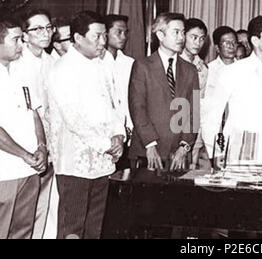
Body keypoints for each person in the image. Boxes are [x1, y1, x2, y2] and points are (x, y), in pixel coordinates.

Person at [47, 11, 125, 239]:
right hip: (75, 163)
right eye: (97, 36)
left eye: (104, 35)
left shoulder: (102, 66)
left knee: (95, 227)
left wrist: (119, 135)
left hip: (104, 162)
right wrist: (106, 144)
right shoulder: (62, 69)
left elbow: (114, 105)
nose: (103, 41)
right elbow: (73, 118)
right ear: (78, 38)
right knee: (73, 227)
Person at [202, 14, 262, 173]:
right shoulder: (232, 72)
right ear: (255, 40)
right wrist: (216, 151)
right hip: (238, 152)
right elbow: (211, 116)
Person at [128, 12, 198, 172]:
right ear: (160, 34)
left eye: (183, 32)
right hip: (147, 153)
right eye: (176, 32)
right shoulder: (142, 66)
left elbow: (194, 112)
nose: (181, 37)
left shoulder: (190, 70)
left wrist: (184, 146)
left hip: (179, 156)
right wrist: (150, 145)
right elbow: (137, 108)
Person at [0, 16, 47, 239]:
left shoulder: (22, 71)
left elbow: (34, 113)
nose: (22, 45)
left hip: (29, 168)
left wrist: (41, 146)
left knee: (23, 231)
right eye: (16, 40)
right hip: (5, 171)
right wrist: (25, 154)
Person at [18, 8, 56, 239]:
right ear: (24, 34)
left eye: (48, 27)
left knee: (46, 204)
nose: (45, 33)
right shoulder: (18, 62)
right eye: (38, 29)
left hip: (52, 142)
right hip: (28, 142)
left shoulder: (53, 61)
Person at [102, 14, 135, 172]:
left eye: (125, 32)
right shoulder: (98, 63)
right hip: (104, 135)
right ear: (105, 33)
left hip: (128, 133)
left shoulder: (130, 64)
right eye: (118, 32)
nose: (123, 37)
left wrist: (129, 127)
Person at [179, 18, 209, 170]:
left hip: (196, 131)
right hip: (175, 130)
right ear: (183, 36)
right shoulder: (173, 64)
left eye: (202, 38)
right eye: (194, 37)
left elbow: (200, 102)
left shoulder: (203, 68)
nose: (198, 42)